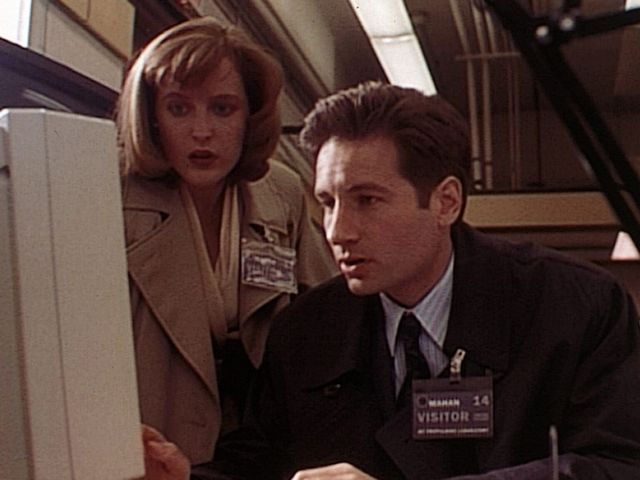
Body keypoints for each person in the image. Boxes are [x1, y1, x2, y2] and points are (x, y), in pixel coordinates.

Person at [142, 81, 640, 479]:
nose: (337, 231)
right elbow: (261, 463)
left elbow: (618, 465)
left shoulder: (576, 308)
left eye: (367, 200)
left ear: (446, 202)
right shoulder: (306, 331)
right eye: (328, 203)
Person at [115, 16, 336, 467]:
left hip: (258, 451)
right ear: (151, 117)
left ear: (250, 116)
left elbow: (324, 318)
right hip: (151, 449)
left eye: (222, 108)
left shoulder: (282, 192)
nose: (202, 131)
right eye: (179, 108)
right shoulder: (109, 192)